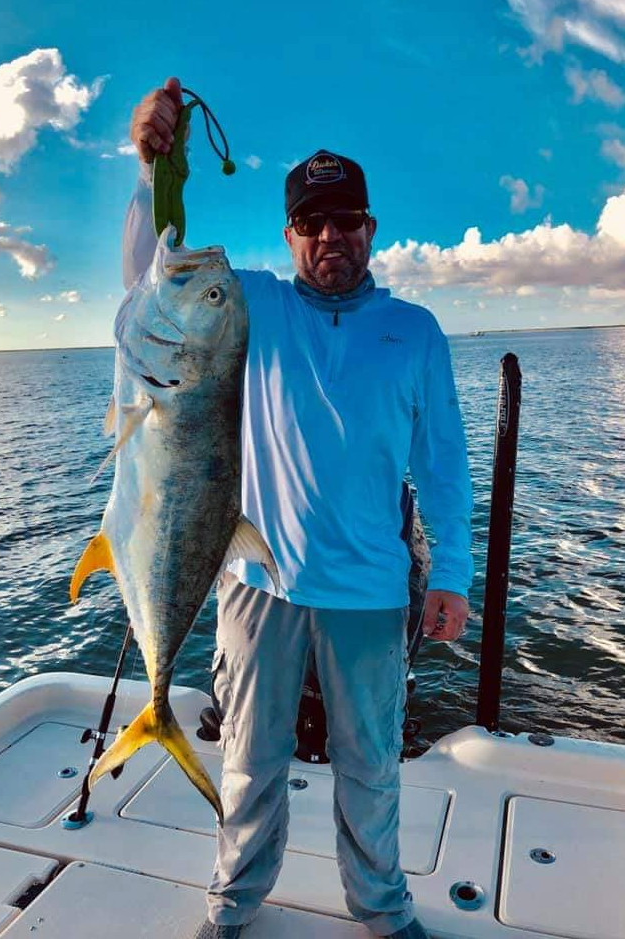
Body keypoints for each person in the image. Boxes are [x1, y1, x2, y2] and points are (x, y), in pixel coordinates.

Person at [123, 77, 473, 939]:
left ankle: (383, 908)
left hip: (371, 592)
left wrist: (453, 573)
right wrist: (151, 169)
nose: (330, 237)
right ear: (288, 236)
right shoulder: (254, 307)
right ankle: (233, 905)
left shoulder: (416, 331)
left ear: (370, 230)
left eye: (345, 221)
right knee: (248, 760)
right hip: (256, 581)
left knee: (372, 766)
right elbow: (149, 280)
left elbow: (445, 465)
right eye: (311, 224)